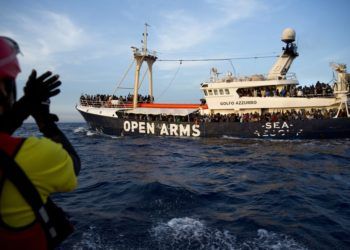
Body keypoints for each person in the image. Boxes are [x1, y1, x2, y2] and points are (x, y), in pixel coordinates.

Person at [0, 36, 80, 249]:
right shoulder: (27, 155)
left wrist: (23, 107)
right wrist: (43, 120)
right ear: (3, 89)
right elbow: (72, 167)